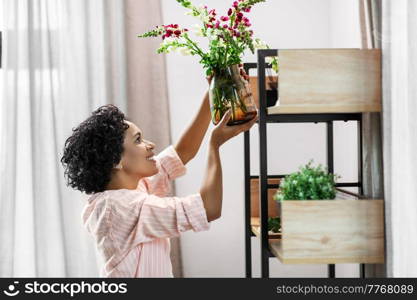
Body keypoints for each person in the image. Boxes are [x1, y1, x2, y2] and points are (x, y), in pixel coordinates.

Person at [61, 74, 258, 278]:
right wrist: (214, 145)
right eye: (138, 140)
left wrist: (212, 94)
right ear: (116, 161)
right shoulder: (119, 207)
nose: (150, 145)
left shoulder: (130, 189)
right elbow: (209, 208)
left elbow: (182, 153)